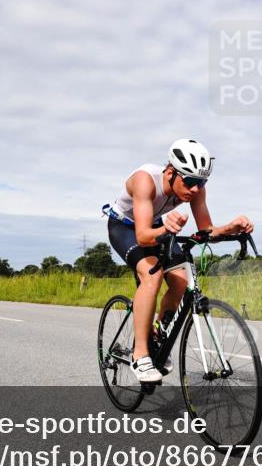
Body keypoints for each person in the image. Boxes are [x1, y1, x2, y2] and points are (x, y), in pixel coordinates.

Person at [103, 139, 253, 383]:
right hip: (126, 227)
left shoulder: (195, 190)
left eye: (201, 182)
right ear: (171, 173)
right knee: (151, 276)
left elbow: (207, 231)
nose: (195, 189)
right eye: (191, 181)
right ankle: (140, 354)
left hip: (156, 226)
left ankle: (157, 337)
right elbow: (142, 236)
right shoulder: (145, 180)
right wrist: (164, 228)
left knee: (181, 282)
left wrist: (230, 227)